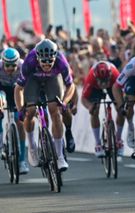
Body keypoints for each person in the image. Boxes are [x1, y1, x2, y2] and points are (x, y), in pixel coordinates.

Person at [14, 39, 75, 171]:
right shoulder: (29, 62)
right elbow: (18, 88)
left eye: (50, 62)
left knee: (55, 110)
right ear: (37, 58)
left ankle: (59, 156)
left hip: (53, 79)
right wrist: (20, 109)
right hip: (33, 80)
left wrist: (64, 103)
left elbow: (71, 86)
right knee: (30, 111)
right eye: (44, 62)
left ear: (55, 58)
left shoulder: (61, 61)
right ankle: (32, 147)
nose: (47, 65)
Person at [81, 61, 125, 157]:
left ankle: (118, 139)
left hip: (113, 85)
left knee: (120, 110)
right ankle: (97, 143)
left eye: (106, 81)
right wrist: (90, 107)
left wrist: (121, 105)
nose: (104, 84)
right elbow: (83, 99)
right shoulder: (91, 78)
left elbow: (122, 92)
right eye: (101, 81)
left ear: (109, 76)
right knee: (94, 111)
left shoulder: (115, 75)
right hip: (95, 88)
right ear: (96, 78)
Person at [0, 48, 29, 174]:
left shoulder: (24, 67)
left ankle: (22, 160)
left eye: (13, 65)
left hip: (17, 91)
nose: (10, 68)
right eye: (7, 65)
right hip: (2, 90)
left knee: (20, 121)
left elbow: (28, 87)